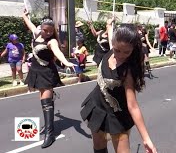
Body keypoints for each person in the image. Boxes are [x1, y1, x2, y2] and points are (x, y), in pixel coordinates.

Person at [80, 18, 157, 153]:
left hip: (117, 116)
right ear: (113, 43)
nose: (120, 55)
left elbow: (133, 106)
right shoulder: (113, 46)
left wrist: (146, 139)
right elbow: (110, 31)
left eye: (126, 52)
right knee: (98, 147)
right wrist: (109, 23)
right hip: (98, 106)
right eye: (117, 50)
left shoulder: (127, 72)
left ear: (133, 49)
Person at [22, 10, 75, 148]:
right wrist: (24, 15)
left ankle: (50, 134)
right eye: (46, 30)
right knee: (43, 99)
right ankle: (48, 126)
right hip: (36, 71)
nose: (48, 33)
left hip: (47, 73)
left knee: (46, 102)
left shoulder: (51, 41)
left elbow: (57, 52)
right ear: (41, 27)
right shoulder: (37, 33)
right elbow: (30, 24)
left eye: (51, 31)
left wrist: (67, 62)